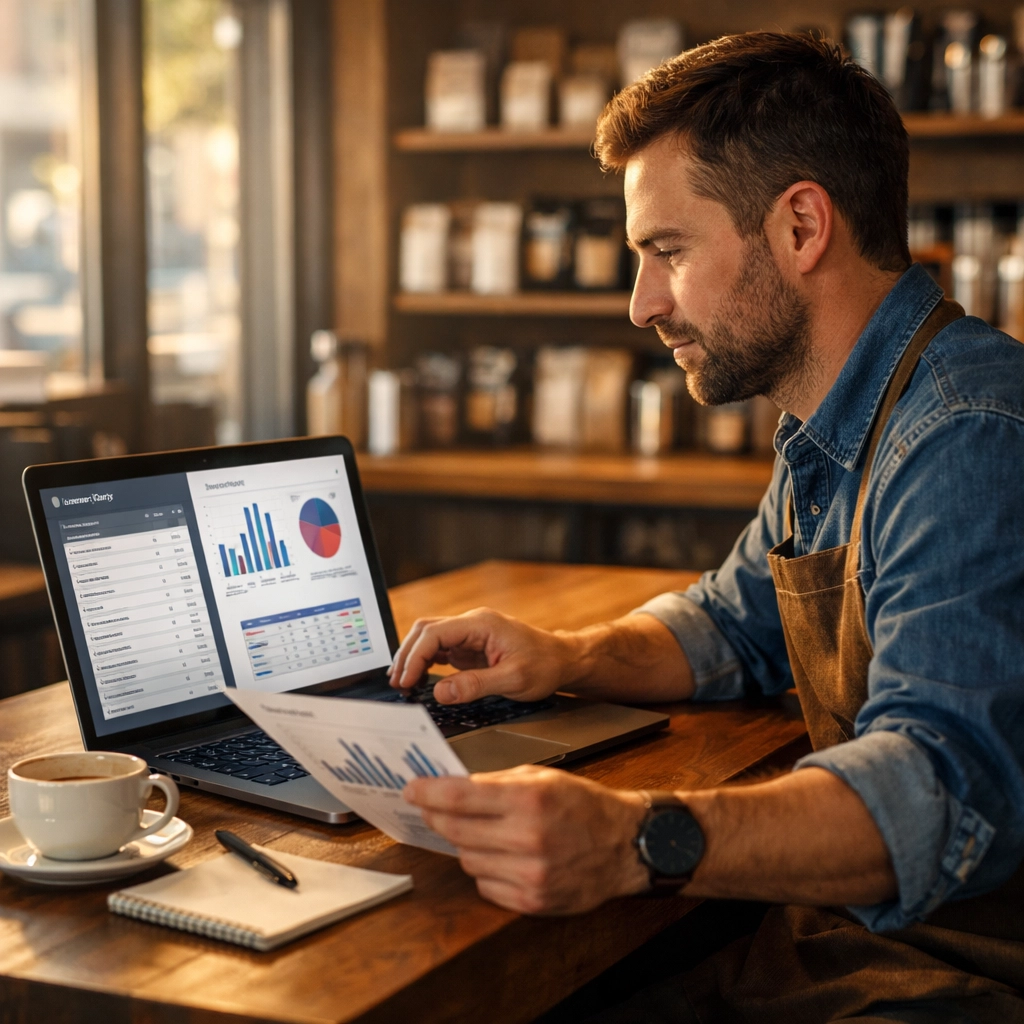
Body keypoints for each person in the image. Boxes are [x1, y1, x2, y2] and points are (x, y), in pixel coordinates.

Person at [391, 32, 1024, 1023]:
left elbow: (938, 793)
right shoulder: (835, 420)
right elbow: (731, 624)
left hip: (962, 974)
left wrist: (631, 838)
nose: (641, 305)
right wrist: (567, 654)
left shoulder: (964, 434)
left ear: (801, 226)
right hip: (856, 939)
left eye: (667, 252)